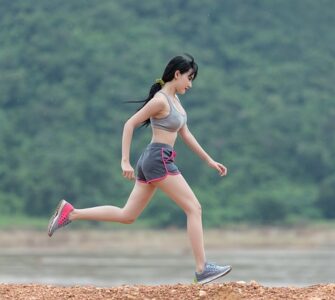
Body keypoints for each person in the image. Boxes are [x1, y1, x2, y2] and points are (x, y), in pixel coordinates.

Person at [47, 54, 232, 284]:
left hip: (153, 160)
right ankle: (202, 268)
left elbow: (185, 133)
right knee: (194, 208)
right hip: (158, 160)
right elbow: (130, 124)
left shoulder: (175, 100)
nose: (190, 84)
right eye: (189, 78)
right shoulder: (161, 100)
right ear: (177, 74)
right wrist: (124, 161)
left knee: (128, 215)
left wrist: (209, 160)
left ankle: (71, 213)